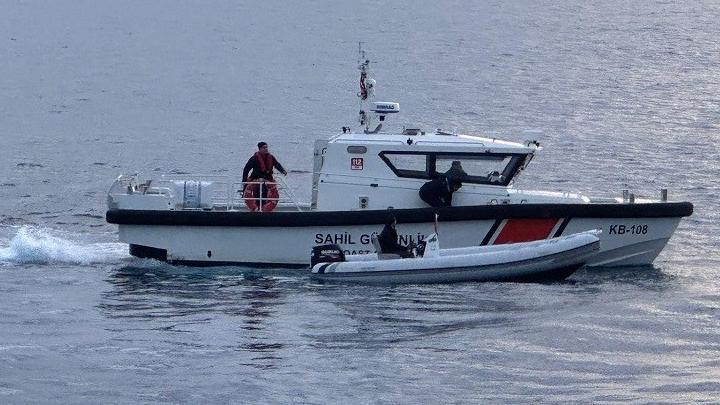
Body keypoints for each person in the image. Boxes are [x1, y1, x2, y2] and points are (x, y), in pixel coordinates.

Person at [242, 142, 287, 206]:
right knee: (257, 195)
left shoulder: (271, 157)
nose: (266, 149)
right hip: (256, 180)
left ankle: (265, 208)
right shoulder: (254, 158)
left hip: (268, 179)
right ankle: (257, 209)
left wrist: (282, 171)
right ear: (259, 149)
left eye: (266, 147)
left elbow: (277, 164)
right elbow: (246, 169)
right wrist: (244, 182)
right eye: (264, 147)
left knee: (266, 195)